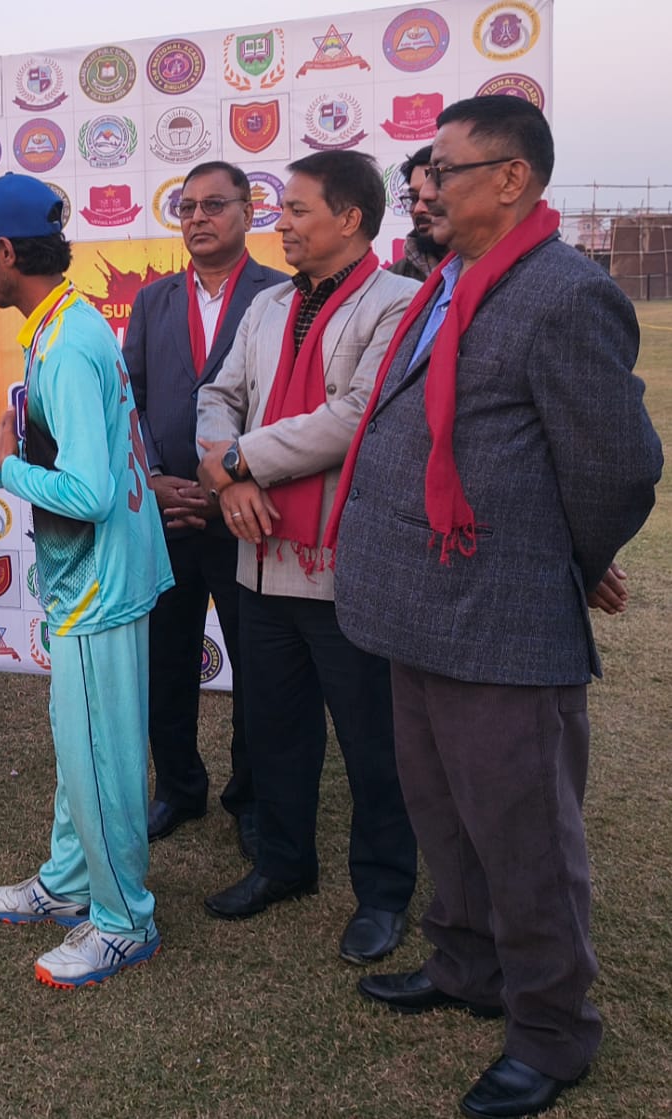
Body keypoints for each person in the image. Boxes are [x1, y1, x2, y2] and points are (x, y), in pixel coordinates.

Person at [330, 97, 663, 1118]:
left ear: (511, 179)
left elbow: (614, 468)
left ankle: (552, 1031)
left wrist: (561, 563)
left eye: (445, 169)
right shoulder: (450, 279)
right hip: (421, 609)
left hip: (501, 621)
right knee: (444, 814)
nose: (424, 187)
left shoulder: (562, 293)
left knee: (525, 841)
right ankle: (467, 966)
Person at [0, 172, 174, 988]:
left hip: (99, 584)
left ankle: (124, 920)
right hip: (94, 577)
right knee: (81, 745)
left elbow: (88, 491)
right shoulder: (64, 322)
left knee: (100, 754)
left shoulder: (66, 342)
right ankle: (71, 880)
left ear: (6, 251)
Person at [194, 150, 418, 964]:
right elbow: (216, 395)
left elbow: (356, 415)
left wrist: (237, 460)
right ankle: (283, 863)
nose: (280, 223)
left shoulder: (399, 303)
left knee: (373, 743)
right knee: (275, 729)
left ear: (350, 219)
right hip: (260, 559)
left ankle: (384, 892)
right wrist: (227, 479)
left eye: (296, 210)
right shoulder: (269, 304)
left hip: (345, 566)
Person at [123, 161, 287, 856]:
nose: (197, 218)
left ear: (249, 212)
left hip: (247, 514)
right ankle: (177, 787)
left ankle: (250, 797)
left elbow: (289, 406)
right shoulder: (153, 300)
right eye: (185, 207)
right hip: (166, 514)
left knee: (257, 666)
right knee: (165, 660)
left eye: (213, 205)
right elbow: (129, 401)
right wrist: (154, 479)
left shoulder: (280, 295)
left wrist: (231, 483)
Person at [389, 145, 447, 281]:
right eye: (414, 198)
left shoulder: (494, 268)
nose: (418, 209)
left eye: (432, 196)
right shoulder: (395, 280)